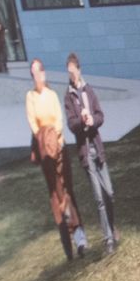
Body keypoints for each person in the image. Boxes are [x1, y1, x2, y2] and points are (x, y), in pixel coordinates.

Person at [26, 58, 86, 259]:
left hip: (58, 147)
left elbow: (59, 120)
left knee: (68, 190)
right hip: (45, 151)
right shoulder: (30, 97)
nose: (37, 76)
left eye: (39, 71)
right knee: (56, 195)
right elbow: (33, 124)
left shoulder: (51, 95)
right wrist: (45, 140)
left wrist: (56, 139)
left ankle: (79, 236)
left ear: (43, 73)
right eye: (33, 72)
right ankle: (67, 243)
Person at [63, 52, 118, 252]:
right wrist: (81, 121)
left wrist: (92, 120)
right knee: (99, 198)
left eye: (73, 72)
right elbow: (71, 124)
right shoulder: (68, 97)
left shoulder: (89, 90)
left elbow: (100, 115)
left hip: (97, 147)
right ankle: (108, 240)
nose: (72, 76)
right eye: (68, 73)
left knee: (109, 193)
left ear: (79, 70)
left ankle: (112, 228)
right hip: (85, 153)